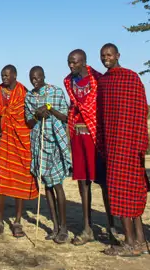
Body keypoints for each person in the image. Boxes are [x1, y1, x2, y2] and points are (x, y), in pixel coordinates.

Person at [97, 43, 149, 257]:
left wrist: (140, 144)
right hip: (113, 145)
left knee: (129, 192)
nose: (106, 58)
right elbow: (101, 114)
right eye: (102, 56)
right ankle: (139, 242)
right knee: (122, 192)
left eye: (109, 55)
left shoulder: (131, 78)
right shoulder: (103, 82)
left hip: (130, 145)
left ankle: (131, 243)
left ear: (118, 55)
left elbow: (140, 111)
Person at [64, 49, 115, 245]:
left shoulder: (98, 80)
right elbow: (73, 107)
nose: (71, 66)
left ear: (84, 62)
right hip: (78, 135)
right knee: (83, 183)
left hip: (96, 137)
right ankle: (87, 229)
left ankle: (111, 228)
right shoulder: (69, 82)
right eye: (69, 62)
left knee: (104, 183)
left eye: (74, 62)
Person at [0, 65, 38, 238]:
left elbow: (28, 118)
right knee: (1, 182)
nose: (4, 77)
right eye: (2, 75)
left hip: (20, 142)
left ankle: (18, 221)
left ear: (15, 75)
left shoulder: (24, 93)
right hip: (1, 142)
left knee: (19, 181)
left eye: (7, 75)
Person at [25, 66, 71, 243]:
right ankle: (54, 226)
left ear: (44, 76)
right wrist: (37, 115)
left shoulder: (55, 92)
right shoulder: (29, 97)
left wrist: (50, 109)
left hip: (54, 142)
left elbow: (65, 118)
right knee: (47, 186)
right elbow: (29, 123)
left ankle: (64, 227)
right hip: (39, 143)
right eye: (32, 78)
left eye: (37, 77)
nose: (34, 81)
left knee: (57, 184)